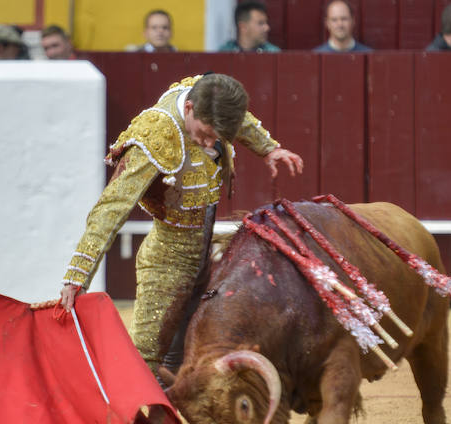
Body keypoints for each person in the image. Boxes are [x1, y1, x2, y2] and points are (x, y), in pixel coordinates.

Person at [59, 73, 302, 377]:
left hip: (206, 250)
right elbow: (111, 208)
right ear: (188, 109)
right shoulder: (155, 136)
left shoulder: (211, 102)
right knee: (146, 357)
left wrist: (268, 148)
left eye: (218, 138)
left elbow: (242, 120)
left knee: (198, 347)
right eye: (205, 133)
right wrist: (78, 274)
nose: (209, 143)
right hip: (168, 257)